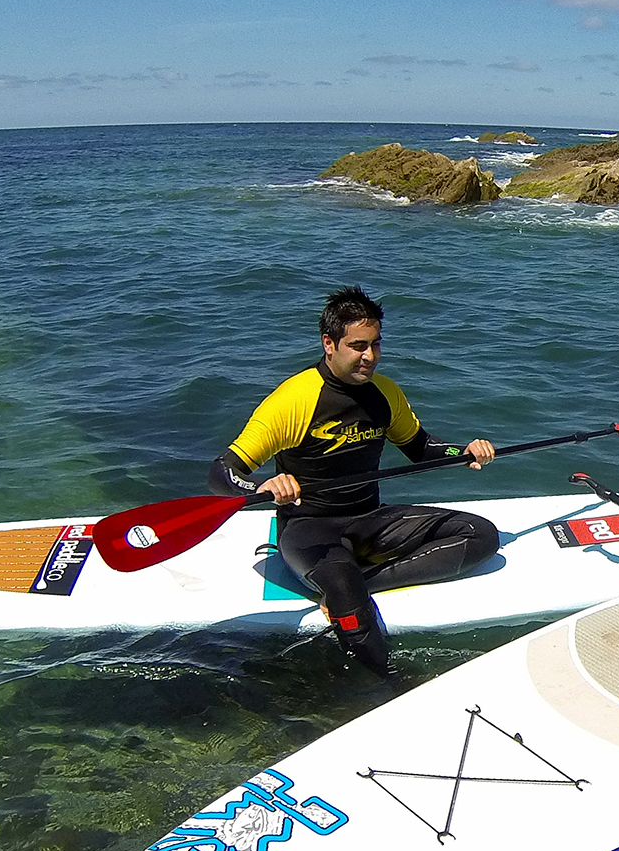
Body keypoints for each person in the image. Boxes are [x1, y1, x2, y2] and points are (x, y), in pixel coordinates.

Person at [210, 286, 500, 680]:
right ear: (329, 343)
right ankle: (388, 680)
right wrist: (262, 486)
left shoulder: (385, 394)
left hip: (369, 519)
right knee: (344, 588)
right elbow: (224, 472)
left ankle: (356, 583)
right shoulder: (294, 399)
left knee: (480, 535)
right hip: (309, 530)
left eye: (376, 345)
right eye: (358, 346)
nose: (370, 357)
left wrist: (463, 452)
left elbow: (421, 448)